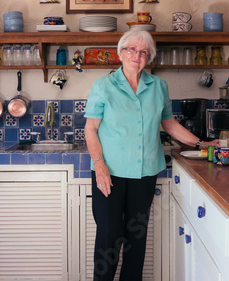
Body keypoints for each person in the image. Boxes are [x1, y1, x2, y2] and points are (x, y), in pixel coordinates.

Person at [84, 29, 219, 281]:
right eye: (131, 49)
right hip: (109, 173)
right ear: (120, 53)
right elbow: (90, 128)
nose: (137, 55)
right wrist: (99, 165)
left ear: (149, 57)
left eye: (143, 51)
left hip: (144, 172)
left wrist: (202, 143)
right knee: (109, 236)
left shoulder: (158, 86)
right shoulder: (103, 85)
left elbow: (169, 124)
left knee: (136, 237)